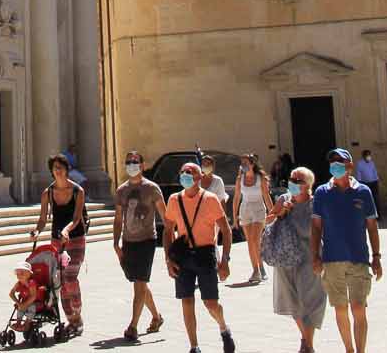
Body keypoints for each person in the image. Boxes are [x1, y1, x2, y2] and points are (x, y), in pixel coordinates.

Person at [311, 147, 381, 353]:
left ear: (349, 165)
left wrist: (376, 256)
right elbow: (316, 227)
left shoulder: (363, 192)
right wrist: (315, 256)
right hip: (332, 260)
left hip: (359, 259)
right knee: (340, 309)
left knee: (358, 307)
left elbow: (372, 226)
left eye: (339, 161)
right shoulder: (322, 193)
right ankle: (349, 349)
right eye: (332, 161)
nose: (335, 165)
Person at [163, 160, 235, 353]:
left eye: (190, 172)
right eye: (183, 171)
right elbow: (168, 230)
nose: (185, 175)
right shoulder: (174, 200)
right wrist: (168, 259)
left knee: (210, 303)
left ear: (199, 177)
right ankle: (194, 346)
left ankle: (223, 328)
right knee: (186, 301)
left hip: (205, 254)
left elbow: (226, 230)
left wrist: (225, 260)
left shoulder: (210, 199)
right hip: (183, 255)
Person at [265, 164, 326, 353]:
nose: (293, 182)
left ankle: (307, 345)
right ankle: (307, 343)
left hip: (310, 257)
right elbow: (268, 221)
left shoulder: (316, 203)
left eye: (298, 180)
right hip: (286, 257)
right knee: (293, 302)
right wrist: (281, 212)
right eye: (292, 179)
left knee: (311, 302)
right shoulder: (283, 199)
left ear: (308, 185)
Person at [113, 148, 166, 343]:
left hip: (146, 241)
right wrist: (116, 243)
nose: (131, 165)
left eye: (135, 161)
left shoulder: (152, 188)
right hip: (128, 242)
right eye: (128, 162)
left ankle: (133, 326)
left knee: (139, 283)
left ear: (142, 165)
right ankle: (156, 317)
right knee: (139, 281)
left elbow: (165, 215)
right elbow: (118, 218)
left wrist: (171, 238)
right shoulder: (121, 190)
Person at [31, 153, 87, 335]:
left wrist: (67, 230)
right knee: (60, 282)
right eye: (55, 168)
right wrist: (37, 231)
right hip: (56, 241)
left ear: (66, 169)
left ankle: (77, 313)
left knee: (70, 278)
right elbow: (42, 219)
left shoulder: (78, 191)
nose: (58, 170)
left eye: (61, 167)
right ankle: (72, 320)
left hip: (76, 239)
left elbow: (77, 218)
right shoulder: (47, 193)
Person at [233, 150, 272, 283]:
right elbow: (236, 198)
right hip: (245, 210)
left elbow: (266, 196)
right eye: (241, 163)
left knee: (255, 239)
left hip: (258, 209)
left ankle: (261, 267)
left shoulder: (261, 178)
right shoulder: (240, 179)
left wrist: (273, 213)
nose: (243, 165)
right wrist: (235, 216)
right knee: (250, 241)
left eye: (245, 162)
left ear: (252, 164)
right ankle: (256, 270)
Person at [9, 261, 40, 331]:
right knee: (20, 309)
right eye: (18, 274)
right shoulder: (19, 283)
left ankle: (27, 323)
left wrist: (24, 305)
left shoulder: (31, 283)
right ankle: (18, 322)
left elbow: (33, 296)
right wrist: (18, 303)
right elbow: (11, 293)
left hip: (34, 302)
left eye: (22, 273)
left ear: (29, 274)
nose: (19, 276)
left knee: (31, 307)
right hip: (24, 302)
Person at [354, 151, 380, 220]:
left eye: (369, 155)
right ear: (364, 156)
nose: (369, 157)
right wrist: (360, 184)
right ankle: (365, 215)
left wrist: (377, 180)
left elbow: (375, 172)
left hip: (373, 183)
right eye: (367, 155)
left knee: (375, 199)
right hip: (365, 183)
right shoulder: (360, 164)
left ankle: (377, 215)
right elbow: (358, 174)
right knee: (365, 199)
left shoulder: (372, 163)